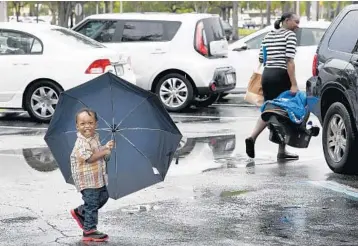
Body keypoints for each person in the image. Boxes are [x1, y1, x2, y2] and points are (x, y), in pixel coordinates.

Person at [245, 12, 300, 160]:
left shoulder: (269, 35)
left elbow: (262, 58)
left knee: (269, 109)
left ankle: (252, 137)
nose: (298, 26)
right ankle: (281, 151)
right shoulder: (290, 36)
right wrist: (294, 84)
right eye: (296, 22)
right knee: (284, 111)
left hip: (267, 75)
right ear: (287, 21)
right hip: (281, 76)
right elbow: (289, 61)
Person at [69, 108, 114, 242]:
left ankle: (82, 211)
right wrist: (104, 151)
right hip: (87, 180)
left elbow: (100, 154)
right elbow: (89, 158)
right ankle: (89, 230)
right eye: (82, 124)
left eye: (90, 122)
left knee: (104, 196)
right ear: (77, 126)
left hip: (98, 178)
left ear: (96, 124)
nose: (87, 126)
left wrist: (107, 148)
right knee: (93, 203)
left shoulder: (95, 138)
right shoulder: (81, 142)